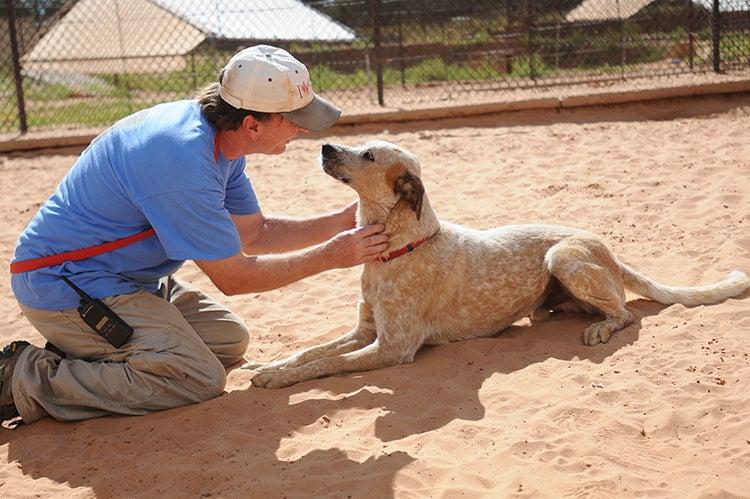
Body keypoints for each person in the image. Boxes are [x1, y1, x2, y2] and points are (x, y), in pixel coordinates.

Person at [1, 45, 389, 425]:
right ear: (253, 124)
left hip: (124, 277)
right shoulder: (185, 163)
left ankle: (92, 350)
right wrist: (332, 256)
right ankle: (23, 377)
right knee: (198, 376)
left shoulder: (222, 139)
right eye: (294, 118)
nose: (303, 128)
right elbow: (235, 278)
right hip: (65, 283)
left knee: (227, 339)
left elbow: (253, 233)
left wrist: (341, 222)